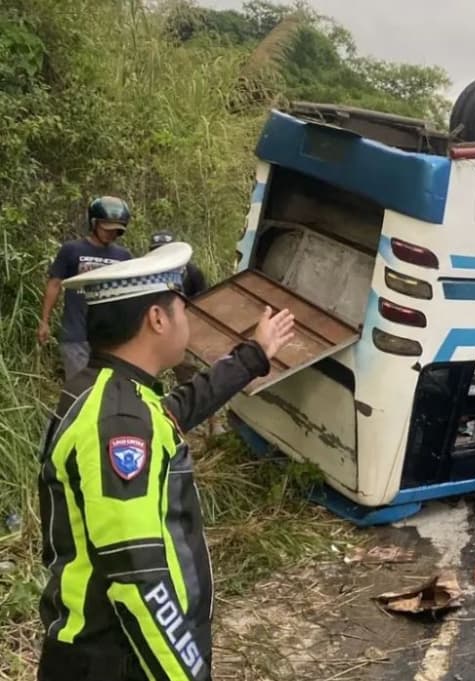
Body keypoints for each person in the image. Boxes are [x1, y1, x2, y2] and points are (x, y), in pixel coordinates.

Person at [35, 242, 295, 681]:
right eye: (181, 308)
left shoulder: (114, 391)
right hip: (121, 660)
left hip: (119, 653)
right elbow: (138, 578)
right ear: (157, 319)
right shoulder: (118, 422)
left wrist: (254, 355)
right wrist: (186, 672)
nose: (186, 319)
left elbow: (178, 410)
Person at [38, 196, 135, 382]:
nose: (111, 233)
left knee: (108, 391)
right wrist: (44, 321)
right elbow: (54, 284)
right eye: (106, 228)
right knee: (80, 390)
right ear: (94, 223)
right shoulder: (71, 250)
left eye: (116, 230)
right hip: (76, 334)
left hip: (110, 338)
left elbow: (130, 294)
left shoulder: (124, 256)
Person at [149, 231, 208, 298]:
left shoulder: (191, 272)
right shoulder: (147, 275)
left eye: (167, 251)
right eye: (158, 251)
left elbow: (204, 299)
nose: (163, 255)